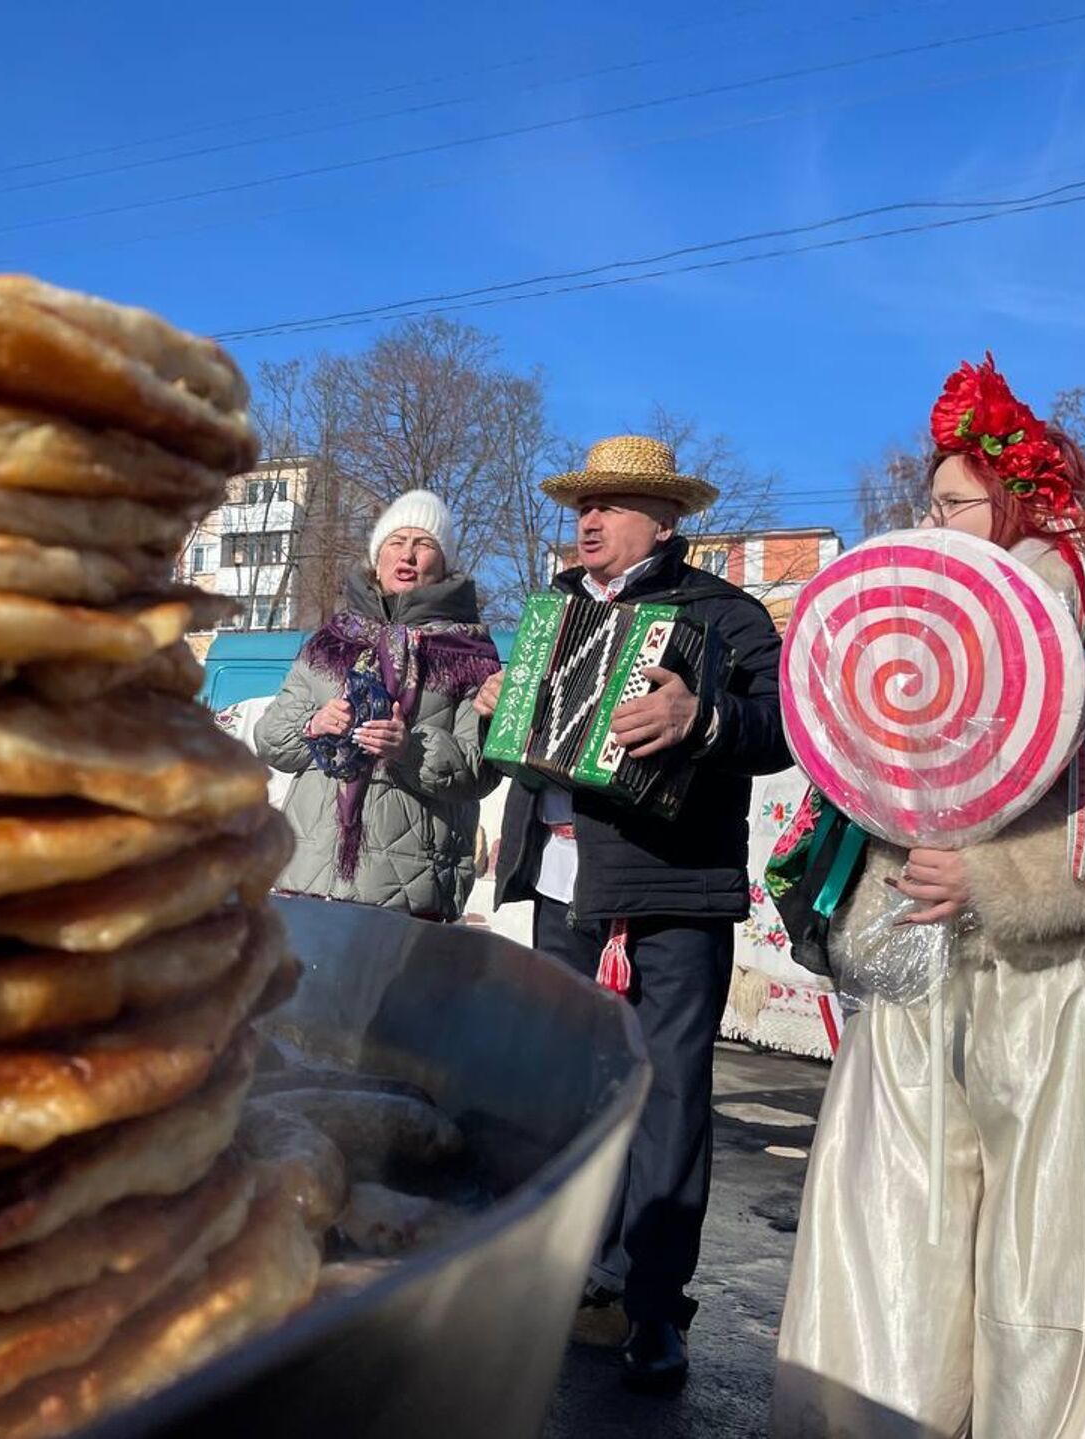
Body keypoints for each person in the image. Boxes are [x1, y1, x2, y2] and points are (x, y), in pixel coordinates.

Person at [771, 356, 1085, 1438]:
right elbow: (866, 785)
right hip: (916, 975)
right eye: (927, 503)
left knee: (1052, 1254)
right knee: (892, 1234)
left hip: (1061, 982)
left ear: (1020, 497)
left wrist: (999, 879)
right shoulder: (914, 626)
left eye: (954, 503)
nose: (930, 522)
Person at [475, 435, 791, 1394]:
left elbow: (782, 724)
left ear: (665, 521)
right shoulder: (555, 611)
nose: (591, 517)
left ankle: (656, 1303)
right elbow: (510, 746)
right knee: (570, 1087)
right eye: (586, 502)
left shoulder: (724, 614)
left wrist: (702, 720)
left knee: (668, 1100)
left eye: (614, 503)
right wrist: (498, 704)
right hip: (565, 885)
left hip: (671, 889)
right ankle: (571, 1277)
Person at [256, 490, 500, 921]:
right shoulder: (330, 640)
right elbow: (270, 740)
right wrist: (313, 726)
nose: (407, 555)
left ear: (443, 564)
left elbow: (481, 770)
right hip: (306, 873)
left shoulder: (470, 652)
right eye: (396, 541)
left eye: (424, 544)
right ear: (378, 556)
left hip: (412, 881)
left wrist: (410, 748)